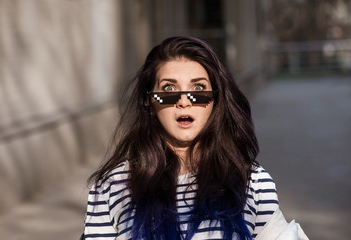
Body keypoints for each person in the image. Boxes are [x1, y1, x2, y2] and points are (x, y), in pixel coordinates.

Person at [82, 36, 307, 240]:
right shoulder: (111, 186)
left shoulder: (253, 182)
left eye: (198, 88)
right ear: (149, 101)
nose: (184, 101)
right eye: (169, 88)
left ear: (215, 100)